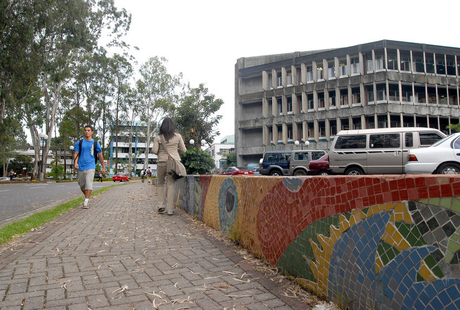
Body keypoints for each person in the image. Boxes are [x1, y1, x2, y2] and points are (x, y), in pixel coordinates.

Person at [152, 117, 186, 215]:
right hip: (173, 162)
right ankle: (170, 209)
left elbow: (154, 151)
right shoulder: (178, 136)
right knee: (171, 184)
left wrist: (161, 152)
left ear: (162, 126)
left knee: (160, 183)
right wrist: (175, 153)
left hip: (162, 161)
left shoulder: (158, 137)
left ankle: (161, 206)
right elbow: (183, 150)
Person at [73, 125, 105, 209]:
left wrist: (103, 167)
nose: (86, 132)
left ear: (92, 132)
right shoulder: (79, 143)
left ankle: (86, 201)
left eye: (88, 130)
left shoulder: (95, 143)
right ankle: (87, 196)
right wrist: (75, 163)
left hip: (91, 166)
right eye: (85, 130)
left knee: (88, 183)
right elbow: (76, 154)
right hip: (81, 166)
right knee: (81, 184)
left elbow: (100, 156)